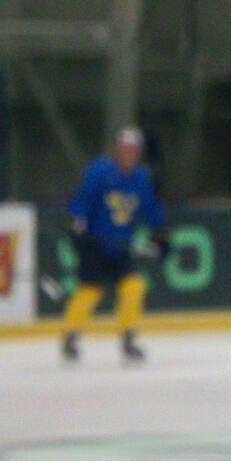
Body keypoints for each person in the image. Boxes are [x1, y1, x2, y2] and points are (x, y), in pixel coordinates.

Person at [61, 127, 169, 364]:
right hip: (94, 244)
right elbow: (83, 198)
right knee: (90, 290)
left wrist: (161, 234)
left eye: (133, 150)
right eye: (124, 149)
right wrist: (75, 223)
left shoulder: (141, 177)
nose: (128, 154)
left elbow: (151, 208)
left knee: (132, 288)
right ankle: (70, 336)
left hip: (121, 247)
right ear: (115, 150)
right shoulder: (99, 171)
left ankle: (129, 338)